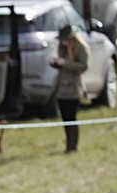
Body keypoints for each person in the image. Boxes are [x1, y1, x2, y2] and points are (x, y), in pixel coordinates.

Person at [50, 25, 90, 153]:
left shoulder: (81, 48)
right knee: (65, 118)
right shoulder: (62, 48)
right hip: (61, 89)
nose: (62, 42)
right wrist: (55, 63)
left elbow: (83, 67)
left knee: (71, 117)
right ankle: (68, 144)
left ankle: (73, 146)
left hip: (73, 89)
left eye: (65, 39)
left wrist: (65, 63)